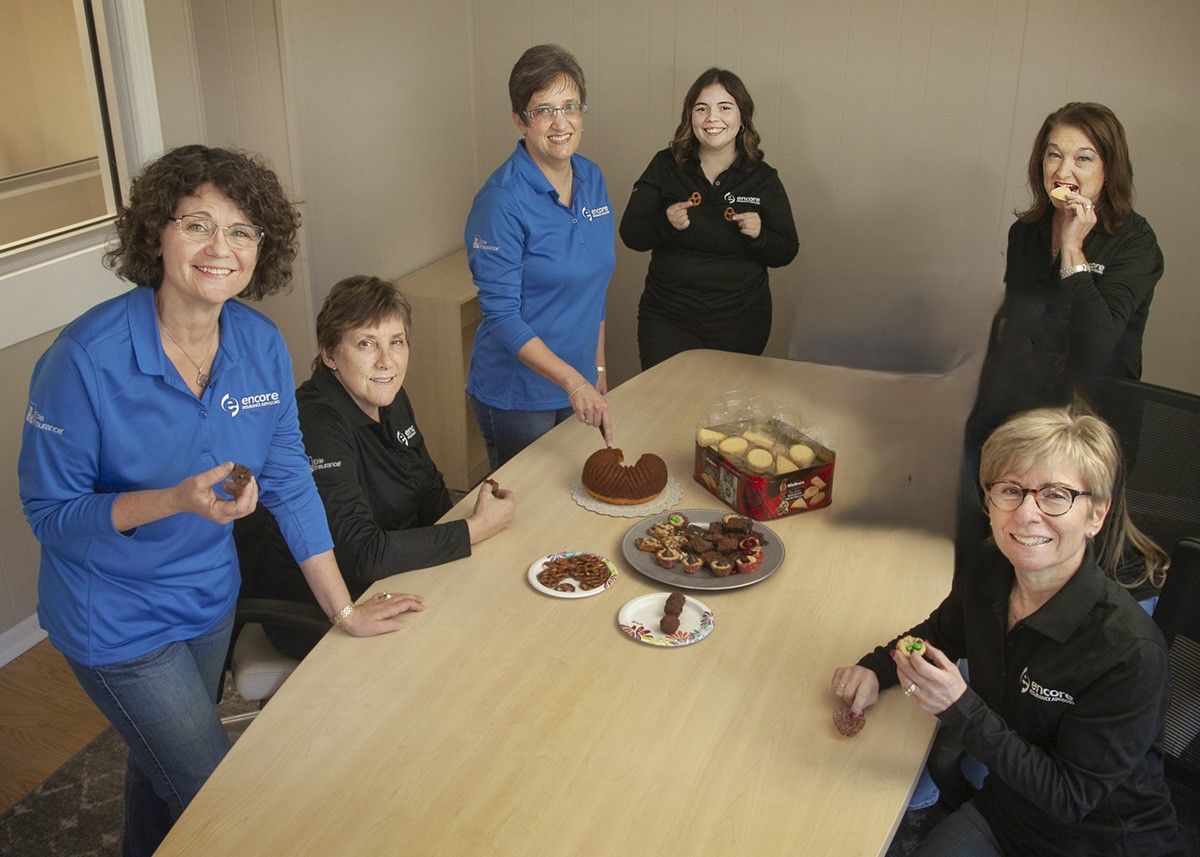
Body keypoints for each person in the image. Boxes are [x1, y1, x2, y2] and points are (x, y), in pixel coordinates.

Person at [18, 145, 423, 856]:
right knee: (221, 796)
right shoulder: (84, 359)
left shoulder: (260, 346)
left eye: (241, 231)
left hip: (209, 601)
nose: (220, 248)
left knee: (160, 767)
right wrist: (172, 500)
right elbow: (50, 515)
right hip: (115, 619)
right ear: (155, 234)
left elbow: (292, 481)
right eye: (197, 223)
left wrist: (344, 608)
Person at [831, 406, 1184, 856]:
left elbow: (1070, 797)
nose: (1026, 514)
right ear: (990, 502)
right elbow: (939, 632)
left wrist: (959, 707)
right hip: (1010, 813)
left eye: (1056, 495)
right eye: (1010, 491)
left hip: (1099, 840)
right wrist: (875, 667)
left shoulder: (1128, 653)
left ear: (1096, 515)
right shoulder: (991, 572)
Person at [235, 275, 516, 658]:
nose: (387, 361)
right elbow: (362, 554)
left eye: (396, 342)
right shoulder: (316, 424)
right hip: (324, 607)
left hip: (389, 576)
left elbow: (429, 490)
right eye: (366, 343)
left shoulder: (387, 396)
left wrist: (473, 528)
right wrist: (474, 529)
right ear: (330, 354)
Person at [958, 102, 1164, 581]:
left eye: (1083, 158)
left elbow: (1098, 343)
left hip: (1092, 408)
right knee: (987, 515)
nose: (1064, 171)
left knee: (1068, 545)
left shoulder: (1135, 241)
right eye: (1053, 156)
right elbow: (1016, 320)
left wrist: (1074, 250)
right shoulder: (1027, 233)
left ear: (1109, 167)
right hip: (1023, 397)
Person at [464, 44, 616, 469]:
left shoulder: (593, 178)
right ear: (520, 120)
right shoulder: (500, 201)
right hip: (518, 395)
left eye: (570, 106)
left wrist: (597, 369)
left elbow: (595, 284)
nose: (560, 122)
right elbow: (502, 316)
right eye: (543, 110)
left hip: (578, 383)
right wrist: (575, 382)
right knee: (526, 516)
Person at [618, 67, 798, 370]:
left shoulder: (763, 178)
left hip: (741, 320)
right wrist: (666, 225)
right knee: (666, 405)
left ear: (742, 118)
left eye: (724, 108)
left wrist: (760, 235)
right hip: (667, 317)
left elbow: (786, 250)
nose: (712, 118)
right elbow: (631, 234)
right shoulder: (666, 165)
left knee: (724, 411)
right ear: (691, 117)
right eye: (702, 109)